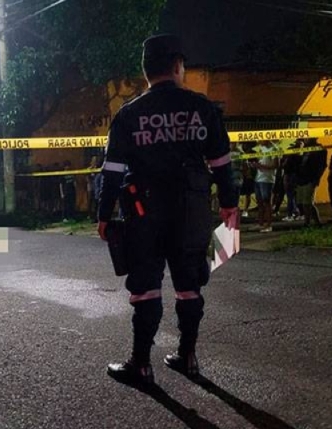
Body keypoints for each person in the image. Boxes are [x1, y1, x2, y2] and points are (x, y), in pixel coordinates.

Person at [98, 34, 238, 384]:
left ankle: (141, 364)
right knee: (190, 285)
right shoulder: (203, 108)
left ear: (146, 70)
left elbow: (111, 171)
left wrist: (103, 215)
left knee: (145, 286)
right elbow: (222, 165)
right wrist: (229, 205)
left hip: (143, 212)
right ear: (178, 66)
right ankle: (188, 357)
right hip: (192, 211)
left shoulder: (129, 114)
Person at [294, 138, 328, 227]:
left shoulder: (319, 149)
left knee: (307, 202)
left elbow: (322, 165)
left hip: (310, 178)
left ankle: (309, 223)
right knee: (301, 202)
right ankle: (315, 222)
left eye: (306, 138)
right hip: (301, 178)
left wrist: (316, 179)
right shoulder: (304, 148)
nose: (304, 140)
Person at [254, 140, 278, 232]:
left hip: (267, 179)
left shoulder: (274, 149)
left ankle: (268, 225)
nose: (259, 140)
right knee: (259, 202)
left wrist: (261, 166)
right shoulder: (261, 148)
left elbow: (276, 165)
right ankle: (260, 223)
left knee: (266, 202)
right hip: (258, 178)